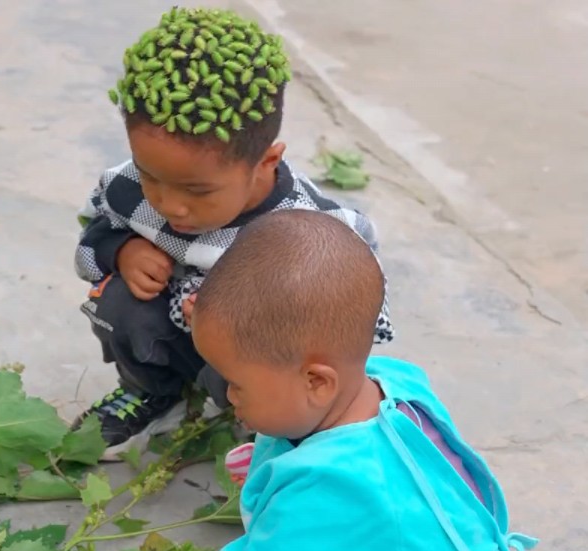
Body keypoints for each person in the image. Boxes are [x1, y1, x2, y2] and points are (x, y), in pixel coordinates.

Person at [54, 210, 537, 551]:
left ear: (316, 382)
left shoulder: (337, 491)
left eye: (237, 384)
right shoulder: (392, 383)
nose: (227, 397)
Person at [73, 7, 394, 459]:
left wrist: (241, 317)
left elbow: (348, 331)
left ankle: (270, 428)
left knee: (271, 365)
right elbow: (92, 240)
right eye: (151, 176)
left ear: (266, 161)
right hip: (175, 333)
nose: (169, 205)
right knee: (118, 301)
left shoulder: (314, 231)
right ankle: (153, 391)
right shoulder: (128, 190)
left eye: (196, 190)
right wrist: (121, 249)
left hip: (249, 356)